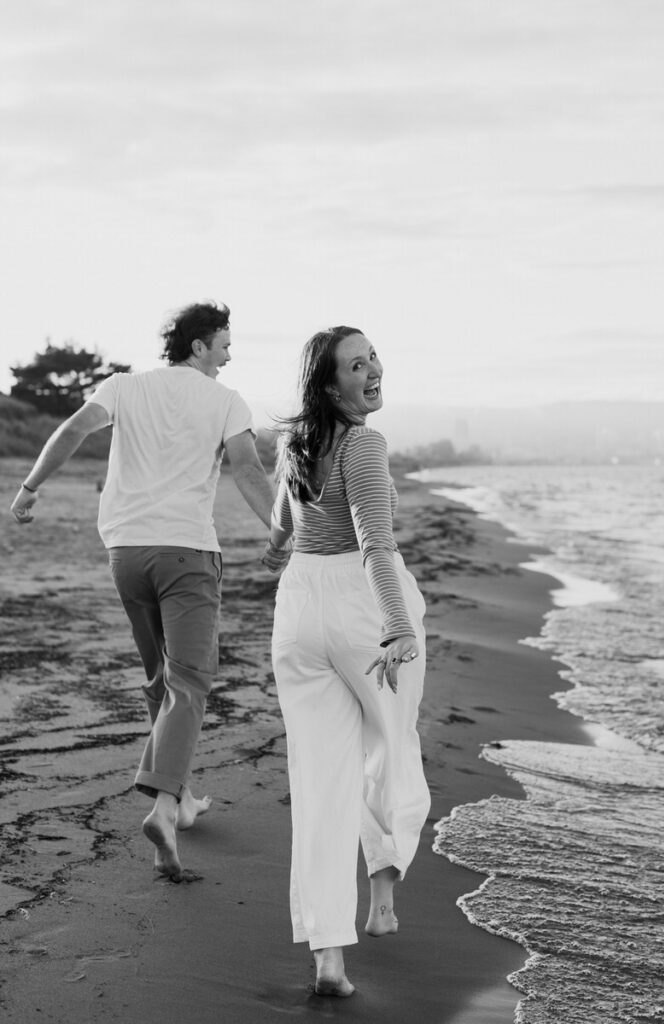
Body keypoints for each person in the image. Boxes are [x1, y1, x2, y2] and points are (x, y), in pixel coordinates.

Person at [10, 301, 275, 882]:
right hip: (186, 553)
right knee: (191, 681)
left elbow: (74, 428)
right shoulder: (227, 401)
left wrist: (30, 487)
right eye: (225, 343)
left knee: (161, 678)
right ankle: (161, 806)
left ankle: (179, 802)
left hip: (126, 553)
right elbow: (248, 470)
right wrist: (281, 531)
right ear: (199, 344)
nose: (230, 354)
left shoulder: (123, 387)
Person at [261, 325, 430, 996]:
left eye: (372, 357)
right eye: (355, 365)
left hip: (298, 607)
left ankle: (329, 956)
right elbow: (375, 543)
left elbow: (282, 522)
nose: (372, 370)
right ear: (331, 386)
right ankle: (382, 889)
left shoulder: (295, 440)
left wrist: (275, 550)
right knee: (393, 747)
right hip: (362, 608)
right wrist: (395, 625)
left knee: (320, 784)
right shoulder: (363, 442)